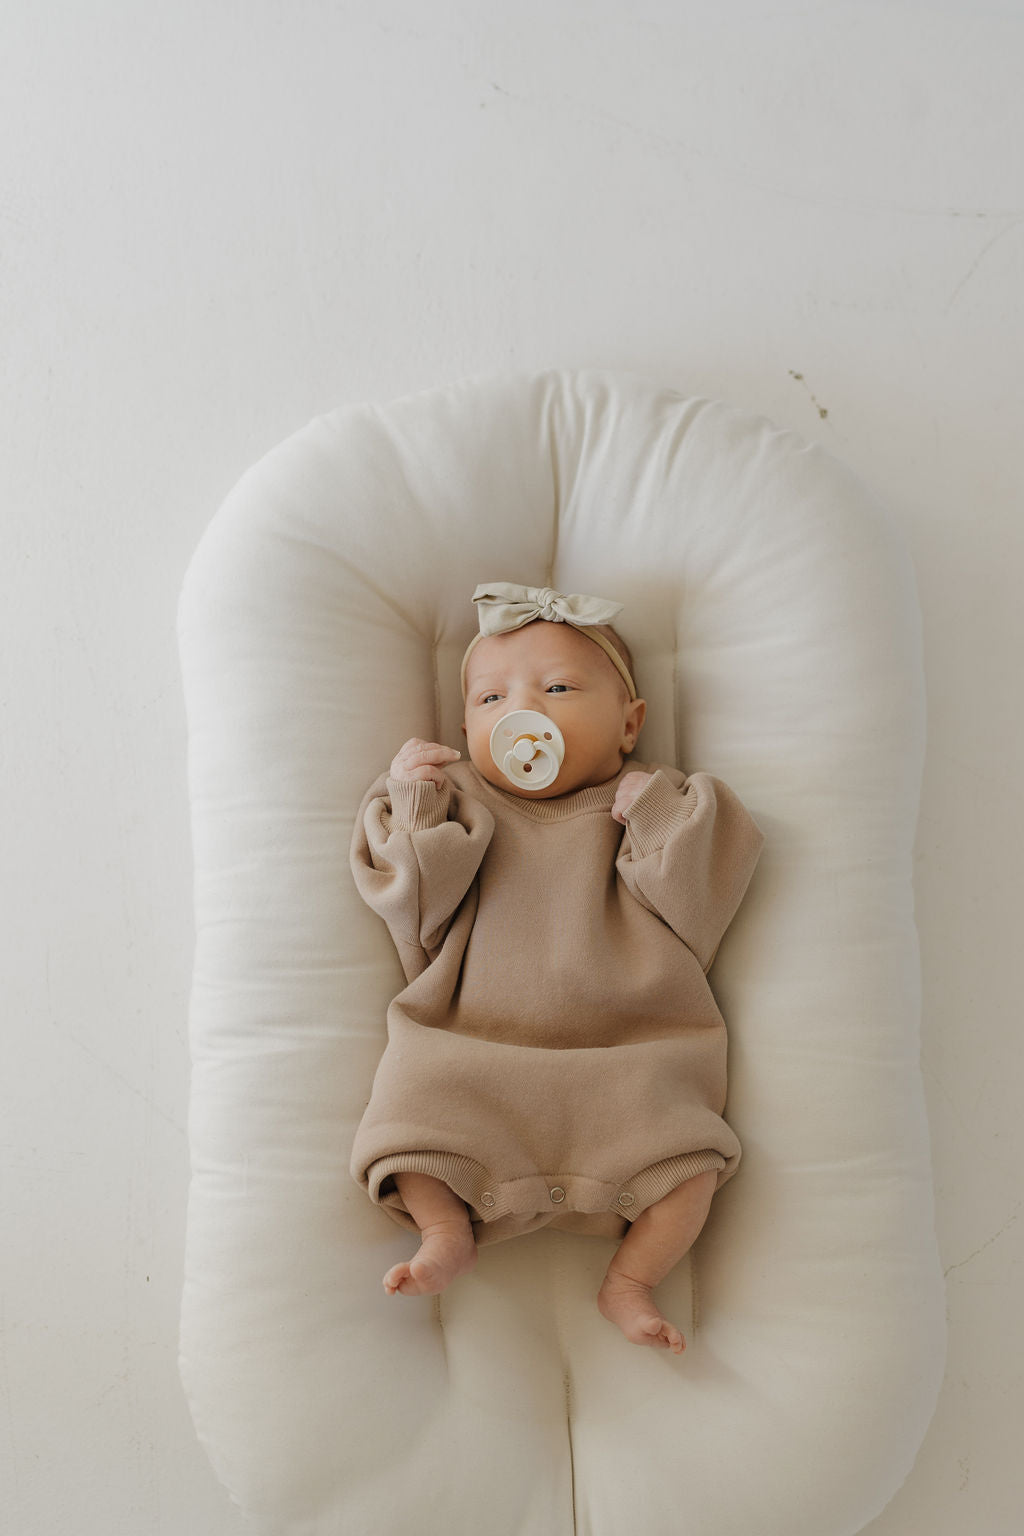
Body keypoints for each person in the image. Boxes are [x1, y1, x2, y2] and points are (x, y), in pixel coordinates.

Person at [349, 583, 764, 1352]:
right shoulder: (461, 804)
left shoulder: (647, 801)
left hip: (630, 1059)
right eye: (491, 697)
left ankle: (631, 1280)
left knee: (693, 1162)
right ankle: (446, 1231)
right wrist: (414, 803)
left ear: (630, 724)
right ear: (466, 723)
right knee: (409, 1127)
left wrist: (655, 813)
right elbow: (412, 910)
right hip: (469, 1050)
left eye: (559, 688)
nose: (520, 712)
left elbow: (703, 894)